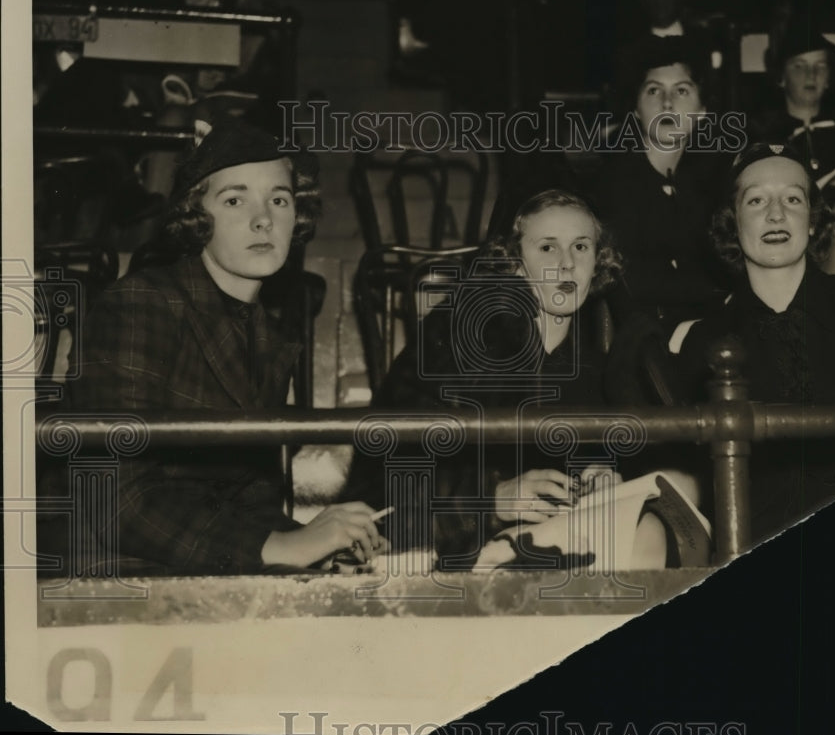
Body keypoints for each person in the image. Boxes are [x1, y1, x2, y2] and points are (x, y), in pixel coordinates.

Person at [65, 118, 386, 575]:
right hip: (108, 569)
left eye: (279, 199)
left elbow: (246, 497)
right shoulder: (140, 302)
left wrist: (313, 542)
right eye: (235, 200)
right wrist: (284, 547)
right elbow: (114, 498)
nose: (263, 219)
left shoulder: (264, 335)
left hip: (190, 563)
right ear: (197, 216)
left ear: (298, 215)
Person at [343, 189, 643, 567]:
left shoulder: (591, 355)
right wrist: (493, 499)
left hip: (534, 541)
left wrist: (596, 473)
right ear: (515, 263)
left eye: (581, 247)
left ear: (598, 261)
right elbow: (391, 484)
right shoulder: (460, 335)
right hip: (425, 543)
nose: (567, 264)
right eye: (547, 248)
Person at [673, 143, 835, 540]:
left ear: (812, 220)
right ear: (733, 222)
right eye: (756, 200)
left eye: (792, 199)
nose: (776, 214)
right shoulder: (705, 341)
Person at [593, 34, 733, 345]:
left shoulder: (714, 182)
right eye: (653, 90)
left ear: (702, 111)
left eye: (682, 91)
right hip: (645, 341)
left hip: (709, 331)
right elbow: (629, 283)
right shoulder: (611, 183)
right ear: (635, 110)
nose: (667, 103)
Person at [749, 16, 835, 180]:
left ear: (828, 79)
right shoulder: (760, 137)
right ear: (781, 77)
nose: (811, 75)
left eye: (820, 65)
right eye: (799, 66)